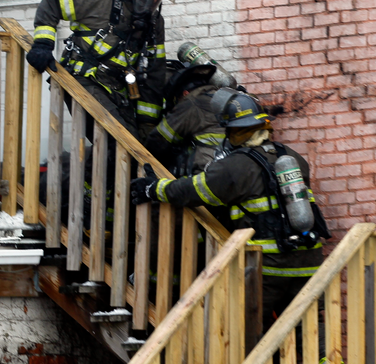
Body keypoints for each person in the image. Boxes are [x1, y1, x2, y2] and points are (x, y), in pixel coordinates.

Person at [130, 89, 330, 329]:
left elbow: (193, 190)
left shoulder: (236, 166)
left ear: (235, 131)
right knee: (309, 331)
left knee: (249, 334)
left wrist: (153, 189)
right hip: (308, 261)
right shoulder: (294, 157)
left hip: (267, 267)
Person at [26, 0, 175, 140]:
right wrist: (43, 44)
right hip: (82, 79)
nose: (153, 0)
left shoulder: (154, 23)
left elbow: (155, 74)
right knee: (118, 139)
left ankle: (93, 169)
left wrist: (147, 125)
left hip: (116, 92)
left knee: (133, 145)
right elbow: (52, 4)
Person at [144, 63, 225, 176]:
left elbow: (159, 139)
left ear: (185, 93)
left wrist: (144, 159)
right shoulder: (224, 97)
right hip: (235, 169)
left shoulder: (191, 103)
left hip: (208, 171)